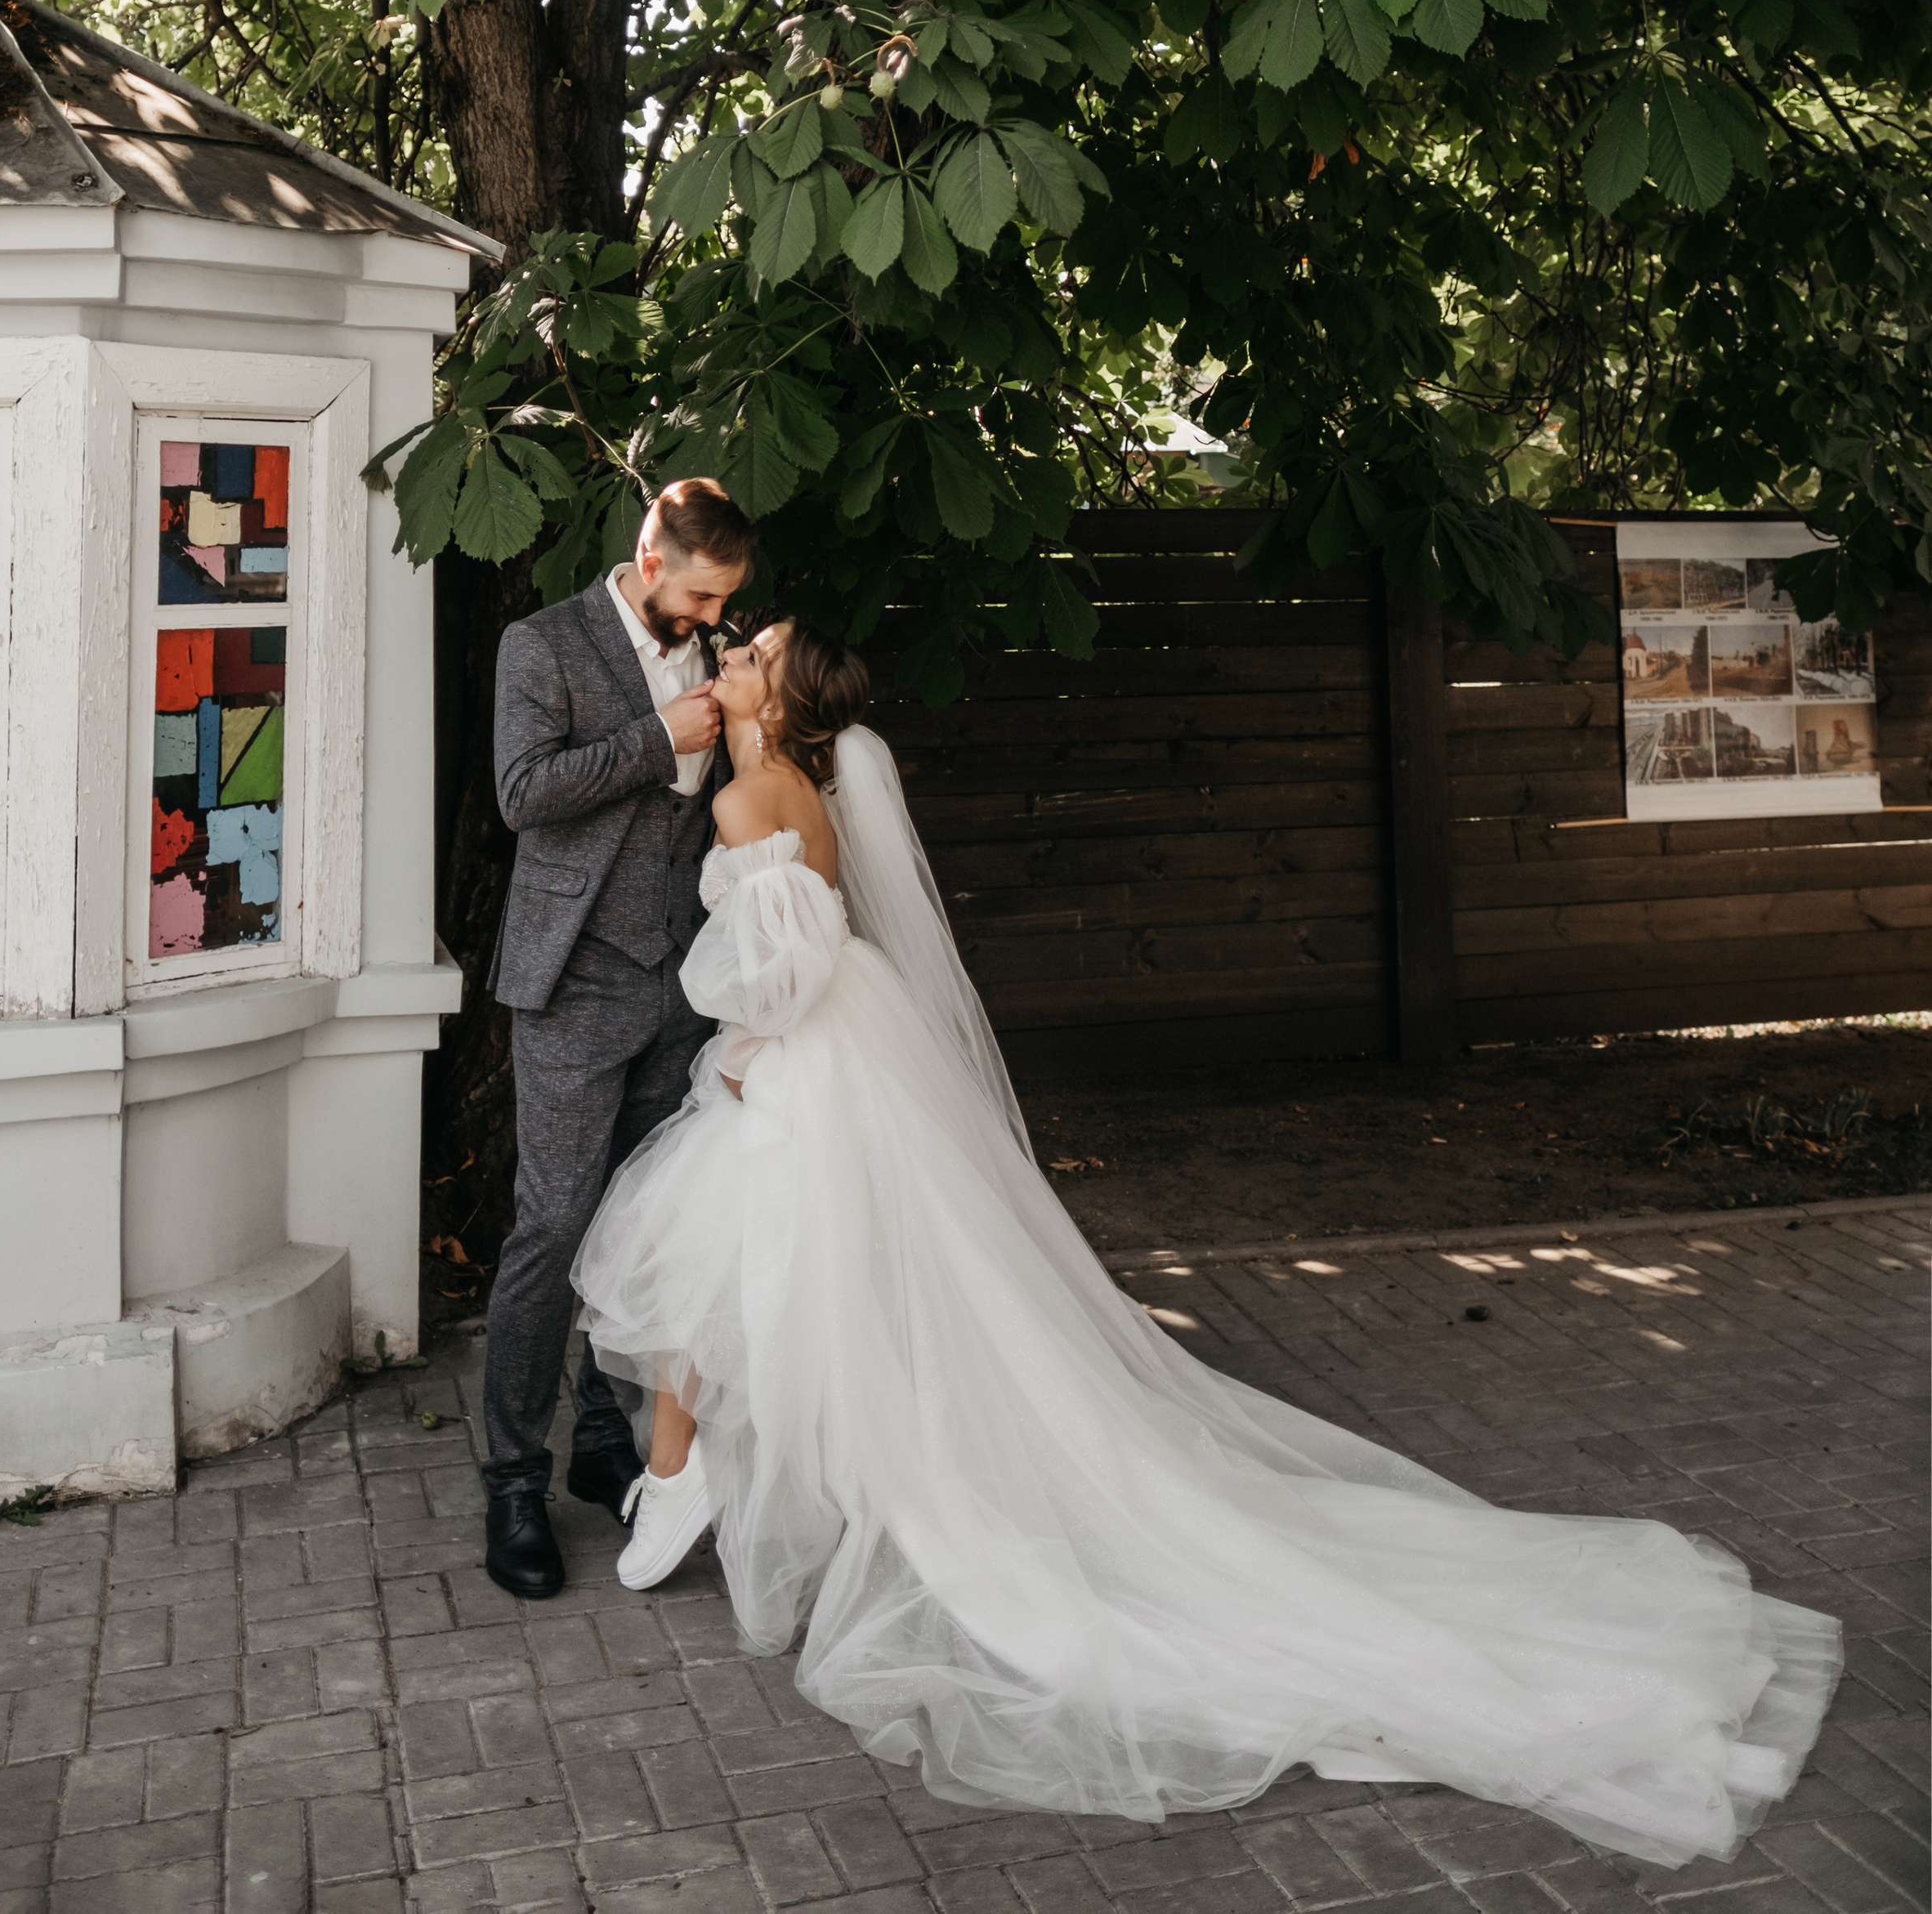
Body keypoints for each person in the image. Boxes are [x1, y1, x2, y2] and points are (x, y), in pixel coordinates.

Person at [574, 622, 1840, 1867]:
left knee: (744, 1259)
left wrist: (735, 1046)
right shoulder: (803, 785)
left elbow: (781, 980)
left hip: (806, 1059)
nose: (731, 655)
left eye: (751, 657)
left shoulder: (755, 799)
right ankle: (693, 1480)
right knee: (754, 1261)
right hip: (852, 1051)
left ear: (777, 706)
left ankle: (697, 1484)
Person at [477, 478, 755, 1602]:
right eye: (695, 592)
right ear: (649, 556)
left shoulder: (716, 643)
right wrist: (654, 739)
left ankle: (603, 1433)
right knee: (552, 1224)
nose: (707, 614)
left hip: (679, 980)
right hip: (574, 978)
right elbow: (521, 794)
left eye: (725, 597)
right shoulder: (541, 645)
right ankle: (510, 1479)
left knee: (644, 1224)